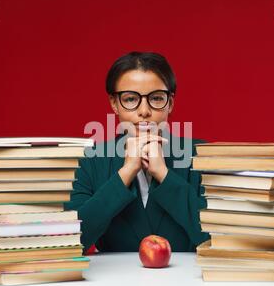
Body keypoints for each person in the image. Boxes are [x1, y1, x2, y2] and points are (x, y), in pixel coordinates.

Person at [66, 51, 209, 252]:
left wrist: (165, 176)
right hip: (114, 281)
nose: (144, 111)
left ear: (171, 103)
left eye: (157, 98)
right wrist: (125, 173)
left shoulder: (201, 157)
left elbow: (217, 238)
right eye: (131, 99)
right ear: (114, 104)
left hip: (186, 280)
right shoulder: (91, 160)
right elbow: (71, 241)